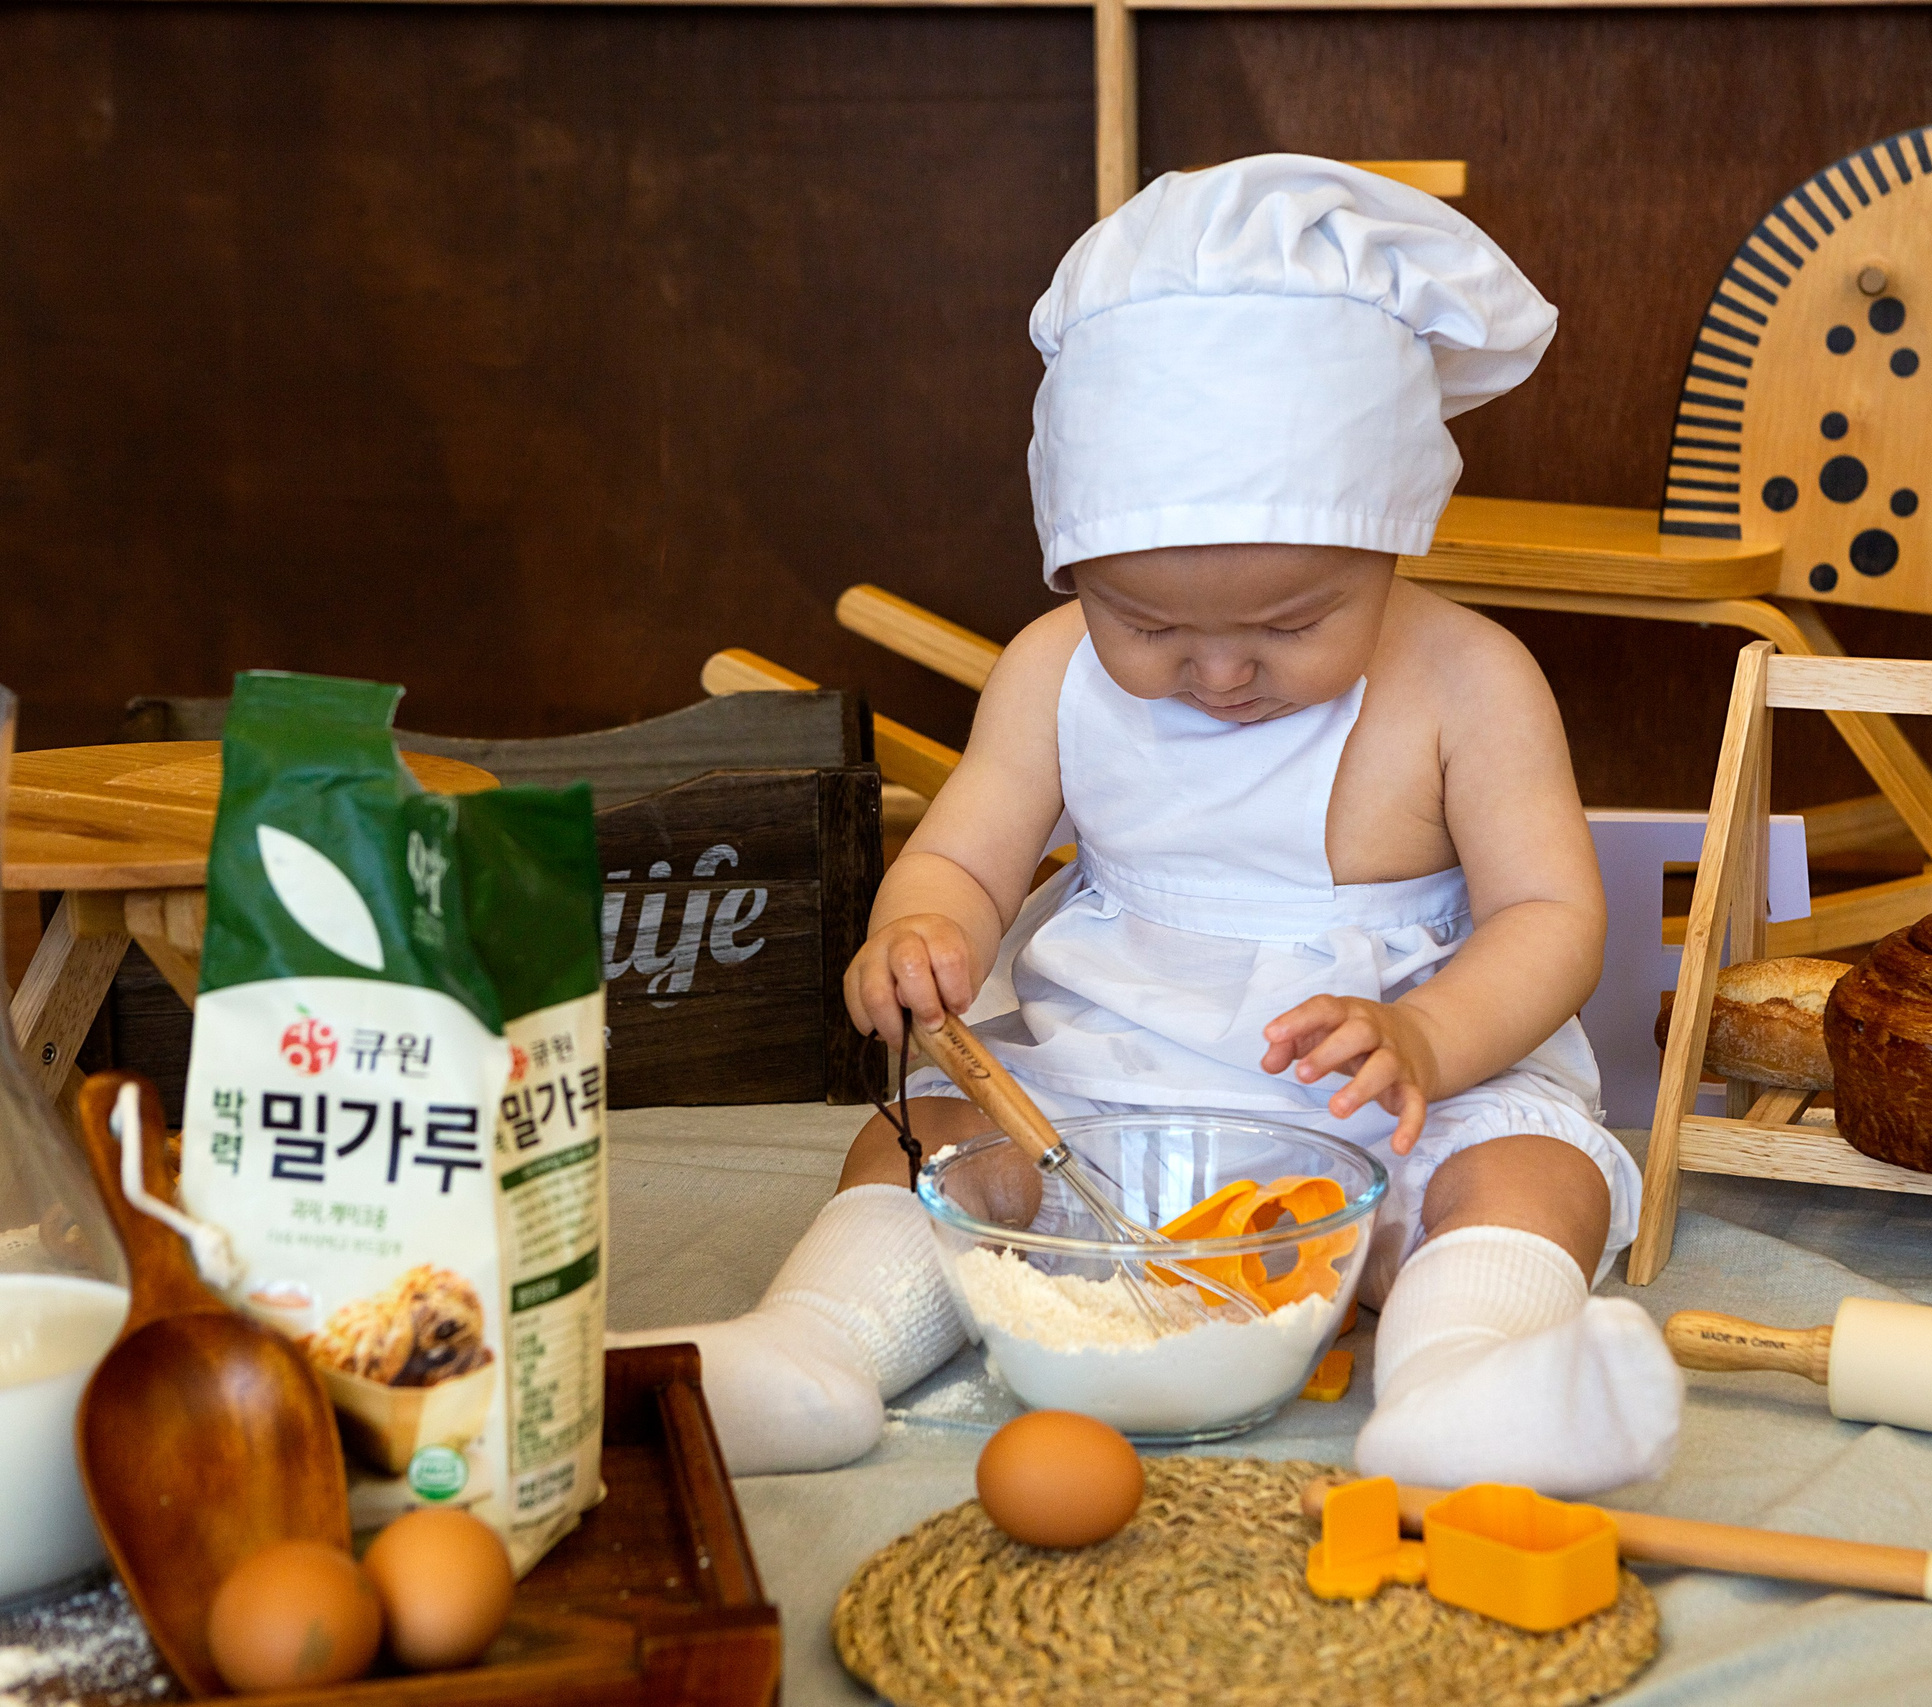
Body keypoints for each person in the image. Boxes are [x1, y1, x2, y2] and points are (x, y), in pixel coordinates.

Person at [625, 155, 1682, 1496]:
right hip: (1105, 1087)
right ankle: (815, 1349)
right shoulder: (1050, 669)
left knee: (1533, 1172)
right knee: (933, 1141)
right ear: (1077, 568)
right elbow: (962, 852)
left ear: (1393, 539)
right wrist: (923, 930)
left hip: (1391, 1103)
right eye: (1150, 624)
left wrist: (1428, 1035)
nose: (1221, 673)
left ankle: (1465, 1380)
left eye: (1292, 625)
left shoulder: (1469, 677)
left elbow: (1553, 917)